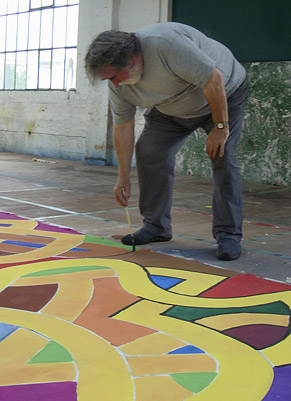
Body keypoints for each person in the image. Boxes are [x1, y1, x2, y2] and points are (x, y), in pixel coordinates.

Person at [85, 22, 248, 260]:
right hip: (171, 108)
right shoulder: (118, 85)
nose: (115, 83)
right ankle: (156, 227)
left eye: (116, 76)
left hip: (223, 93)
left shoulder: (165, 45)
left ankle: (229, 235)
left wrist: (220, 128)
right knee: (149, 151)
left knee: (222, 156)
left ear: (132, 58)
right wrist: (122, 177)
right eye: (108, 79)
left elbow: (214, 79)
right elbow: (122, 126)